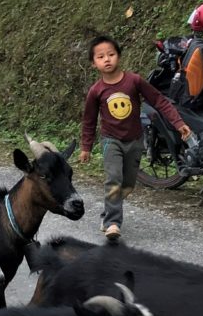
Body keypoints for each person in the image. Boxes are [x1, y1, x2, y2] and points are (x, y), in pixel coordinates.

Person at [80, 35, 192, 241]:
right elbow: (88, 121)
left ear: (119, 56)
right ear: (93, 63)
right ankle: (113, 222)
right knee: (114, 179)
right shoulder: (96, 91)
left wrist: (178, 123)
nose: (107, 59)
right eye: (101, 56)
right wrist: (86, 147)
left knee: (128, 185)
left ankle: (108, 212)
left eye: (111, 54)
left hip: (134, 140)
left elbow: (160, 101)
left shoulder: (134, 81)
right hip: (110, 141)